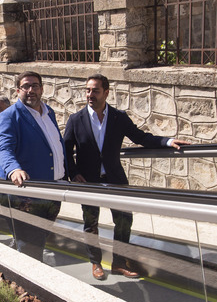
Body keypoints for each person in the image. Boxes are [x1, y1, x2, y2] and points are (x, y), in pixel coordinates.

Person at [64, 73, 190, 280]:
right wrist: (73, 173)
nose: (89, 94)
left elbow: (141, 137)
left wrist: (167, 142)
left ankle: (119, 262)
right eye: (87, 90)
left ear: (106, 92)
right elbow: (66, 150)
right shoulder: (75, 120)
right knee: (91, 222)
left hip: (115, 178)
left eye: (95, 90)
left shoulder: (118, 118)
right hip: (87, 180)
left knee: (124, 220)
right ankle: (95, 263)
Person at [0, 71, 66, 259]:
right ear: (18, 91)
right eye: (25, 86)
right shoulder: (10, 115)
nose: (30, 90)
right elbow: (3, 148)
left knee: (39, 240)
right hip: (26, 193)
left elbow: (56, 146)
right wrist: (14, 169)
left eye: (35, 85)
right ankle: (29, 285)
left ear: (42, 89)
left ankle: (21, 271)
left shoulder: (48, 112)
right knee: (30, 247)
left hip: (52, 190)